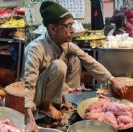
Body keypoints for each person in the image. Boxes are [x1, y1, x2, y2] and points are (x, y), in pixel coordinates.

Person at [24, 1, 127, 131]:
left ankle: (61, 100)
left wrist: (112, 80)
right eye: (68, 26)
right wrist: (29, 118)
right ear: (53, 29)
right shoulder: (36, 48)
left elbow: (89, 60)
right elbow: (29, 83)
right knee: (59, 65)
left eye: (72, 26)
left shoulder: (65, 45)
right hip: (36, 96)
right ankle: (46, 107)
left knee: (75, 60)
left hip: (50, 90)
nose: (72, 30)